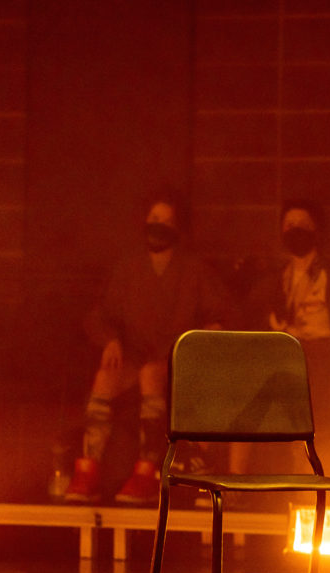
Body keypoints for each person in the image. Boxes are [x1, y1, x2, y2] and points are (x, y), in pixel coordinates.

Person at [62, 189, 230, 505]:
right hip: (134, 355)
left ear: (178, 228)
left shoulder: (194, 270)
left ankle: (148, 468)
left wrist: (211, 331)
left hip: (174, 359)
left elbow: (217, 312)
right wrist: (110, 340)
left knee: (152, 375)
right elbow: (101, 314)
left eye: (167, 221)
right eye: (154, 219)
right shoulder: (127, 268)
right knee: (105, 377)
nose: (159, 225)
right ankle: (88, 467)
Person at [220, 201, 330, 487]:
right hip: (281, 360)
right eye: (289, 226)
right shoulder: (276, 278)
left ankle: (303, 486)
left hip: (319, 362)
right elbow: (247, 310)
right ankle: (235, 477)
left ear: (316, 230)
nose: (295, 231)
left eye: (302, 225)